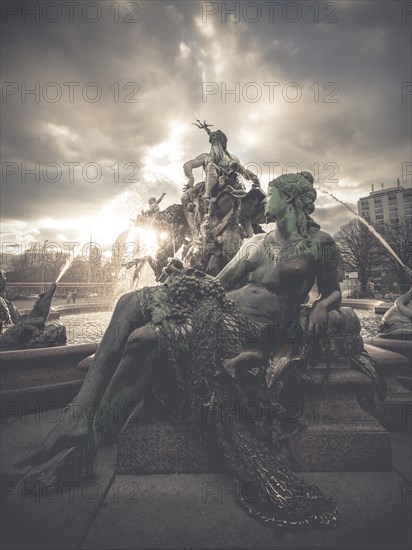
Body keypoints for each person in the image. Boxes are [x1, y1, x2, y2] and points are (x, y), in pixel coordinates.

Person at [16, 172, 342, 528]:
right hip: (217, 308)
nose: (266, 201)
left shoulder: (320, 244)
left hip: (251, 330)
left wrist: (325, 305)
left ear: (290, 200)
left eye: (273, 194)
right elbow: (216, 285)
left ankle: (81, 448)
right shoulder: (254, 246)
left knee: (143, 342)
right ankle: (78, 419)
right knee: (130, 302)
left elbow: (331, 289)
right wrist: (183, 273)